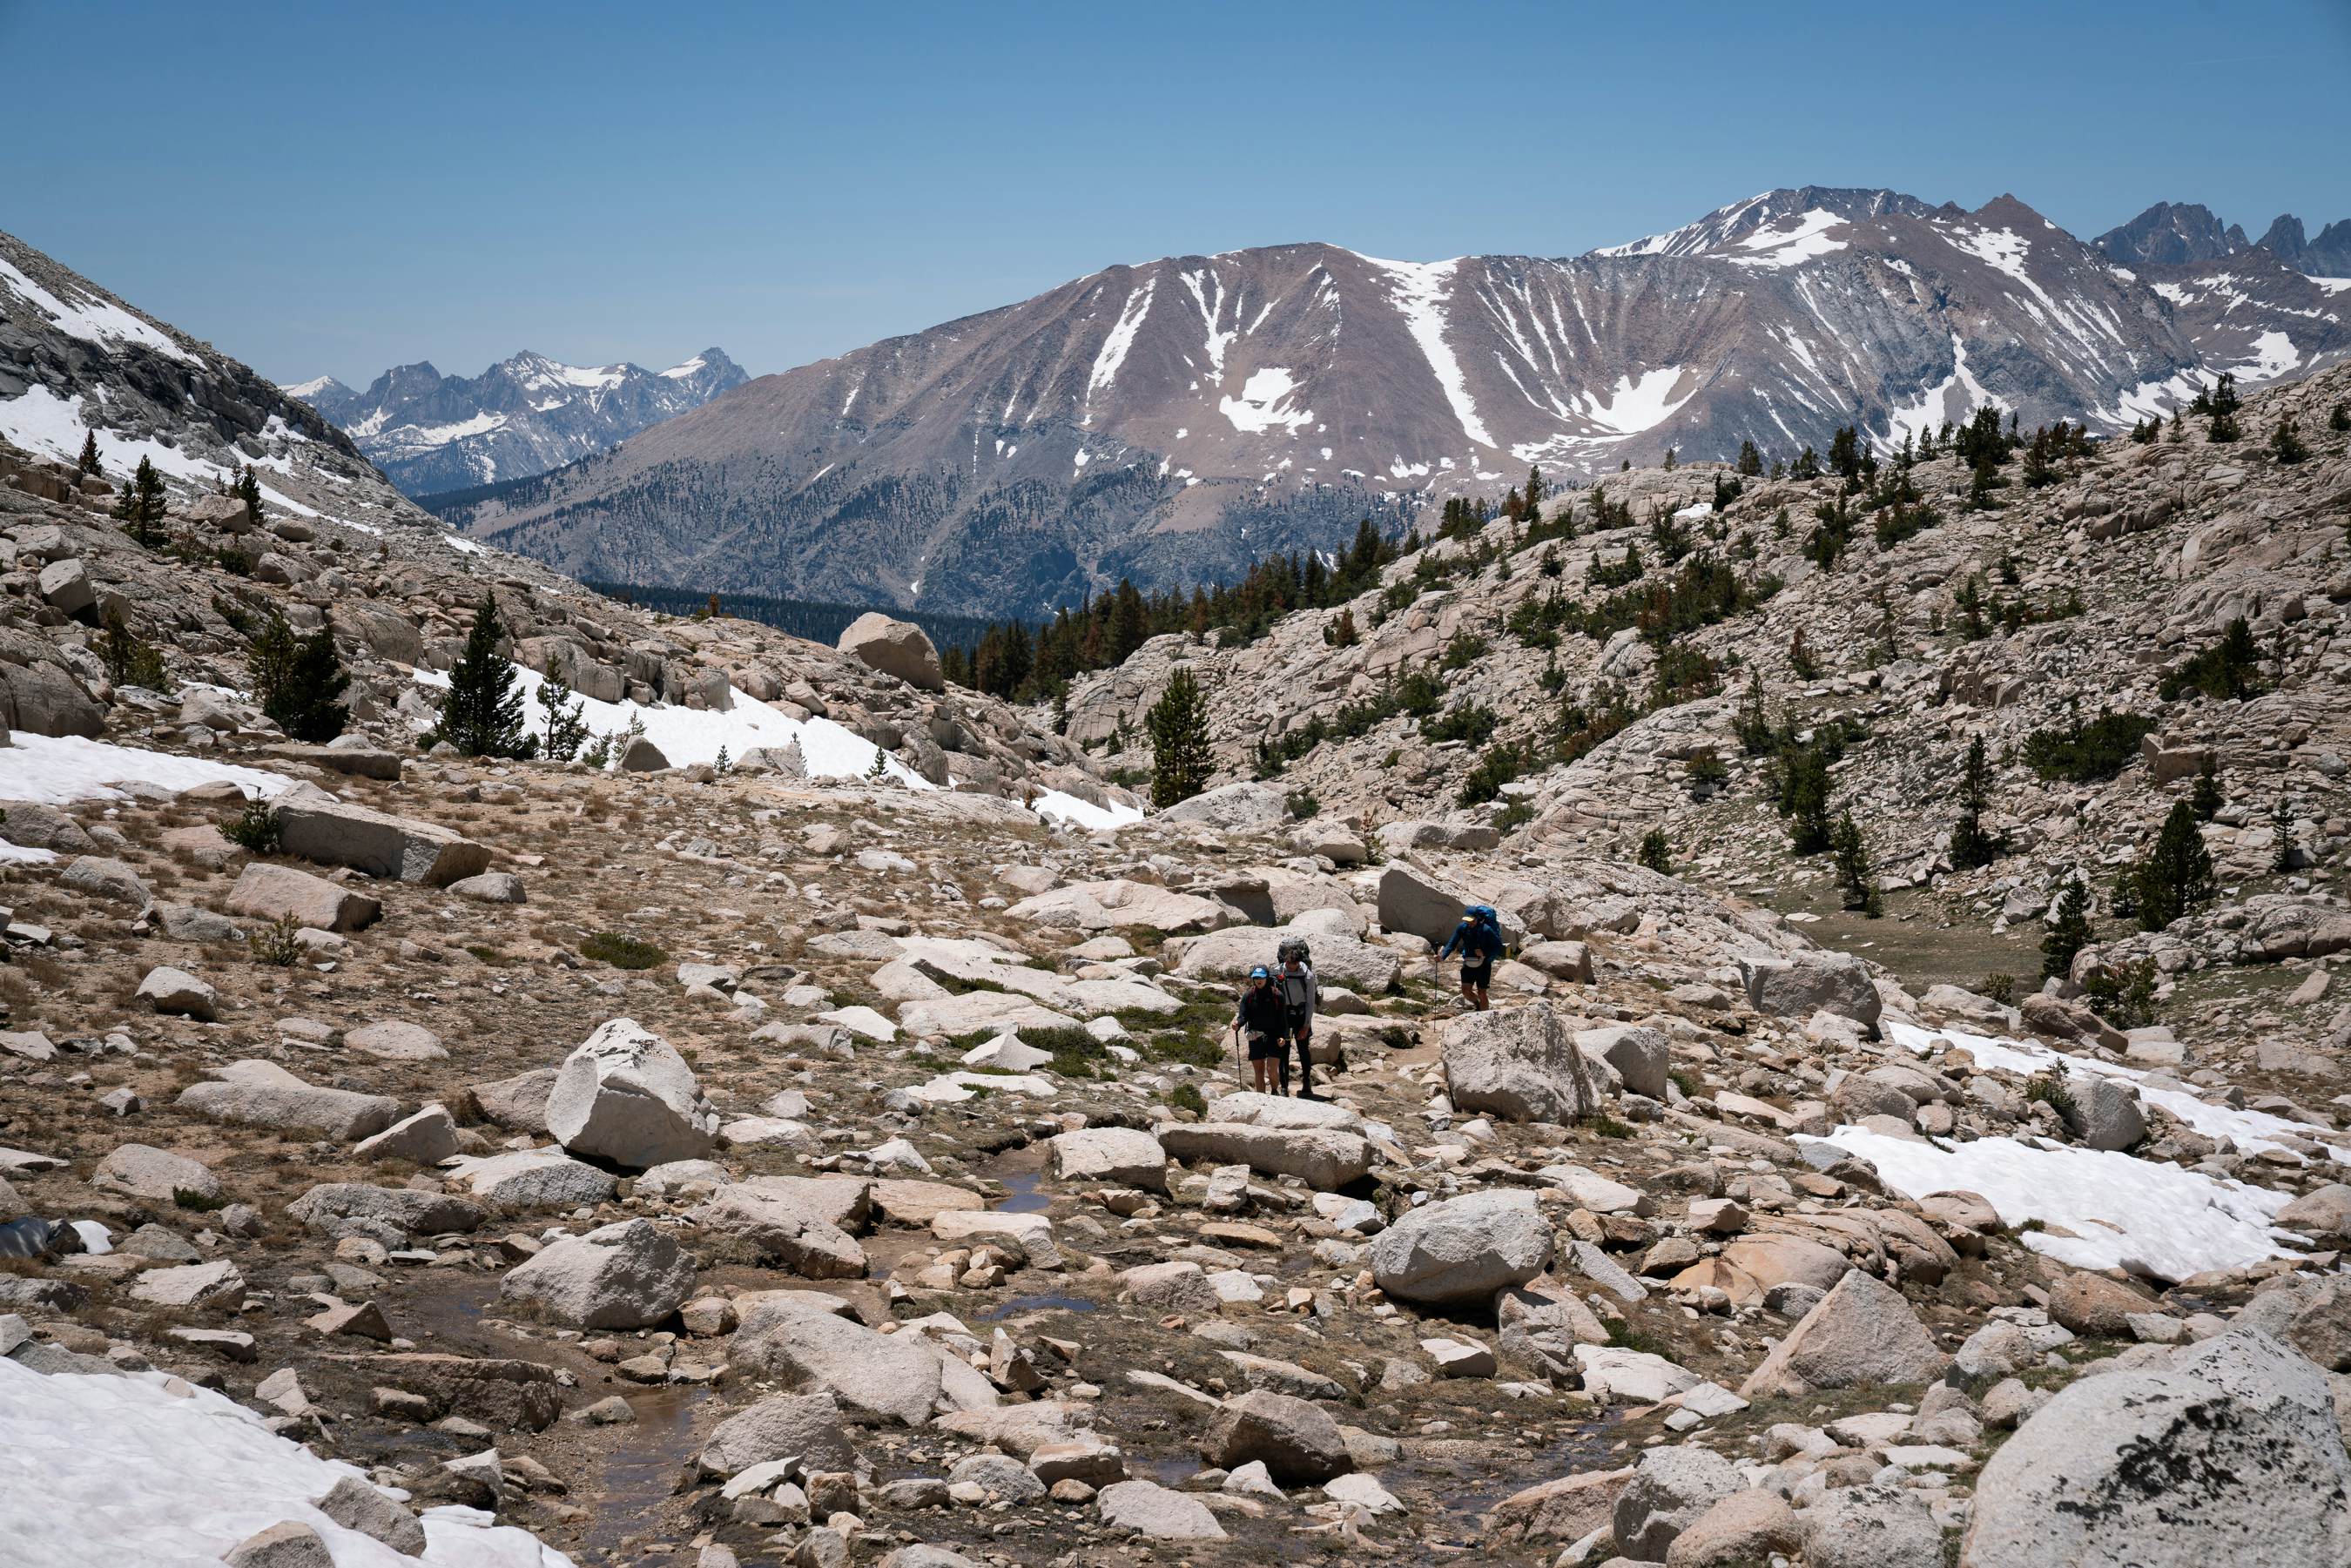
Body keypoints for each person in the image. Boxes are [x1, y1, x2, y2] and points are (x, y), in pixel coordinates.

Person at [1230, 965, 1290, 1094]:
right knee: (1259, 1071)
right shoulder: (1249, 996)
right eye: (1256, 977)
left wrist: (1283, 1036)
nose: (1258, 980)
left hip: (1274, 1036)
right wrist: (1238, 1024)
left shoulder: (1277, 995)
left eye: (1261, 977)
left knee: (1271, 1069)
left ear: (1267, 978)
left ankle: (1275, 1091)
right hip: (1255, 1035)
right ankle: (1261, 1099)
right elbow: (1243, 1015)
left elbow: (1283, 1018)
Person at [1436, 903, 1506, 1011]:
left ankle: (1485, 1016)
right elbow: (1452, 943)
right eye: (1467, 920)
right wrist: (1442, 957)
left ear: (1478, 919)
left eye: (1472, 920)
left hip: (1484, 964)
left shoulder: (1486, 930)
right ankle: (1477, 1005)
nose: (1469, 923)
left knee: (1482, 992)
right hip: (1468, 962)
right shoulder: (1462, 928)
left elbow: (1498, 946)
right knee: (1465, 991)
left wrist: (1484, 953)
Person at [1275, 941, 1320, 1098]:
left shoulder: (1308, 976)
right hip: (1285, 1015)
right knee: (1283, 1050)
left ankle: (1306, 1082)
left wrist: (1307, 1025)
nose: (1289, 966)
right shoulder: (1278, 972)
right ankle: (1284, 1087)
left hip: (1300, 1015)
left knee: (1303, 1049)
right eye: (1287, 963)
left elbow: (1310, 1001)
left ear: (1299, 963)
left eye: (1292, 964)